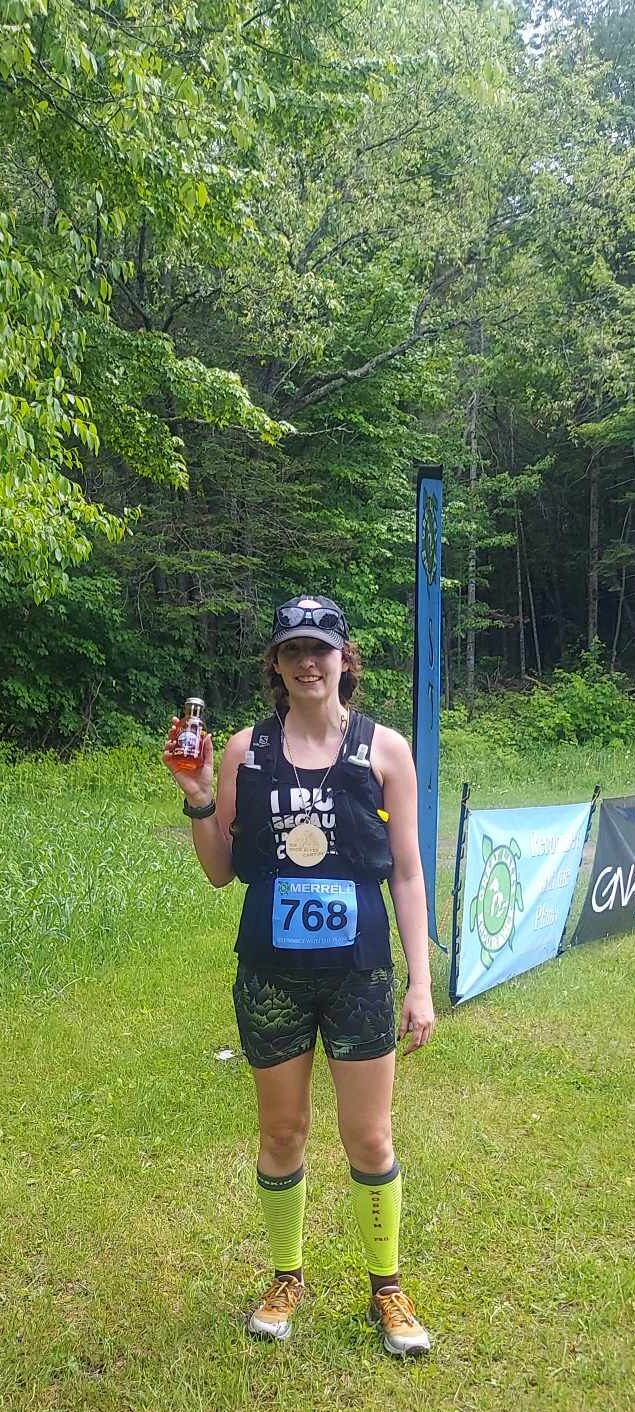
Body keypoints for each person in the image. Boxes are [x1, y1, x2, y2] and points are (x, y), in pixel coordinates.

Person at [163, 594, 435, 1356]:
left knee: (369, 1137)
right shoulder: (246, 751)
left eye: (320, 649)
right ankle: (286, 1275)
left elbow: (407, 874)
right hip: (272, 975)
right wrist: (194, 798)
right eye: (291, 651)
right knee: (282, 1132)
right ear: (275, 667)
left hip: (358, 975)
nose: (307, 663)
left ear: (345, 659)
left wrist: (419, 982)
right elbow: (221, 869)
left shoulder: (385, 750)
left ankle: (386, 1287)